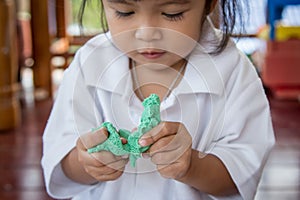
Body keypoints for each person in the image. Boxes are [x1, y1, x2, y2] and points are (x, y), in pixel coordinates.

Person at [41, 0, 275, 199]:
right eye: (124, 12)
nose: (146, 32)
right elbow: (59, 159)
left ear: (209, 4)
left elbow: (242, 173)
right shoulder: (89, 62)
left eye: (172, 13)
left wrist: (192, 166)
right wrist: (87, 162)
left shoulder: (231, 68)